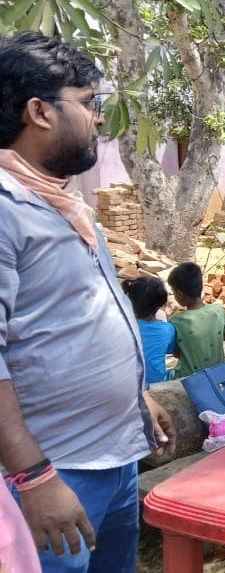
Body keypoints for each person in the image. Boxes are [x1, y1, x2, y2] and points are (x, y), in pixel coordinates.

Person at [0, 31, 175, 572]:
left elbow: (81, 317)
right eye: (89, 102)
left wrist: (133, 395)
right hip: (52, 478)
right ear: (39, 112)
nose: (99, 118)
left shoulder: (64, 201)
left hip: (114, 459)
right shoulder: (7, 209)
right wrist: (34, 477)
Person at [167, 262, 225, 378]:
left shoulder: (176, 321)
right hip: (218, 374)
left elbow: (177, 353)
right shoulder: (217, 310)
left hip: (190, 379)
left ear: (180, 294)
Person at [122, 276, 177, 386]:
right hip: (156, 383)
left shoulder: (123, 327)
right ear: (161, 303)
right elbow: (171, 351)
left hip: (128, 383)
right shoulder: (168, 329)